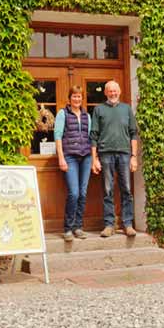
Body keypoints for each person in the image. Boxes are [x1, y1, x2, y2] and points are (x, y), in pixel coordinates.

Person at [90, 80, 139, 237]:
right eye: (110, 91)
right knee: (108, 190)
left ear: (119, 92)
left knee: (126, 189)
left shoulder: (126, 109)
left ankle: (128, 224)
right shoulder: (99, 110)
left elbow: (133, 134)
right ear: (105, 93)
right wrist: (94, 159)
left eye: (115, 91)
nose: (113, 93)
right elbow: (93, 136)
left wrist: (134, 156)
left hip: (125, 153)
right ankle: (109, 225)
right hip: (105, 154)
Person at [54, 85, 92, 242]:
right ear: (69, 98)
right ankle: (68, 228)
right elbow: (58, 136)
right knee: (74, 193)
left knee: (83, 193)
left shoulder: (86, 115)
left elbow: (91, 137)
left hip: (86, 157)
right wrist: (61, 158)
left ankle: (78, 227)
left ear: (82, 98)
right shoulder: (62, 114)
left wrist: (94, 158)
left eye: (79, 96)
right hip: (70, 157)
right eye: (74, 96)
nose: (77, 99)